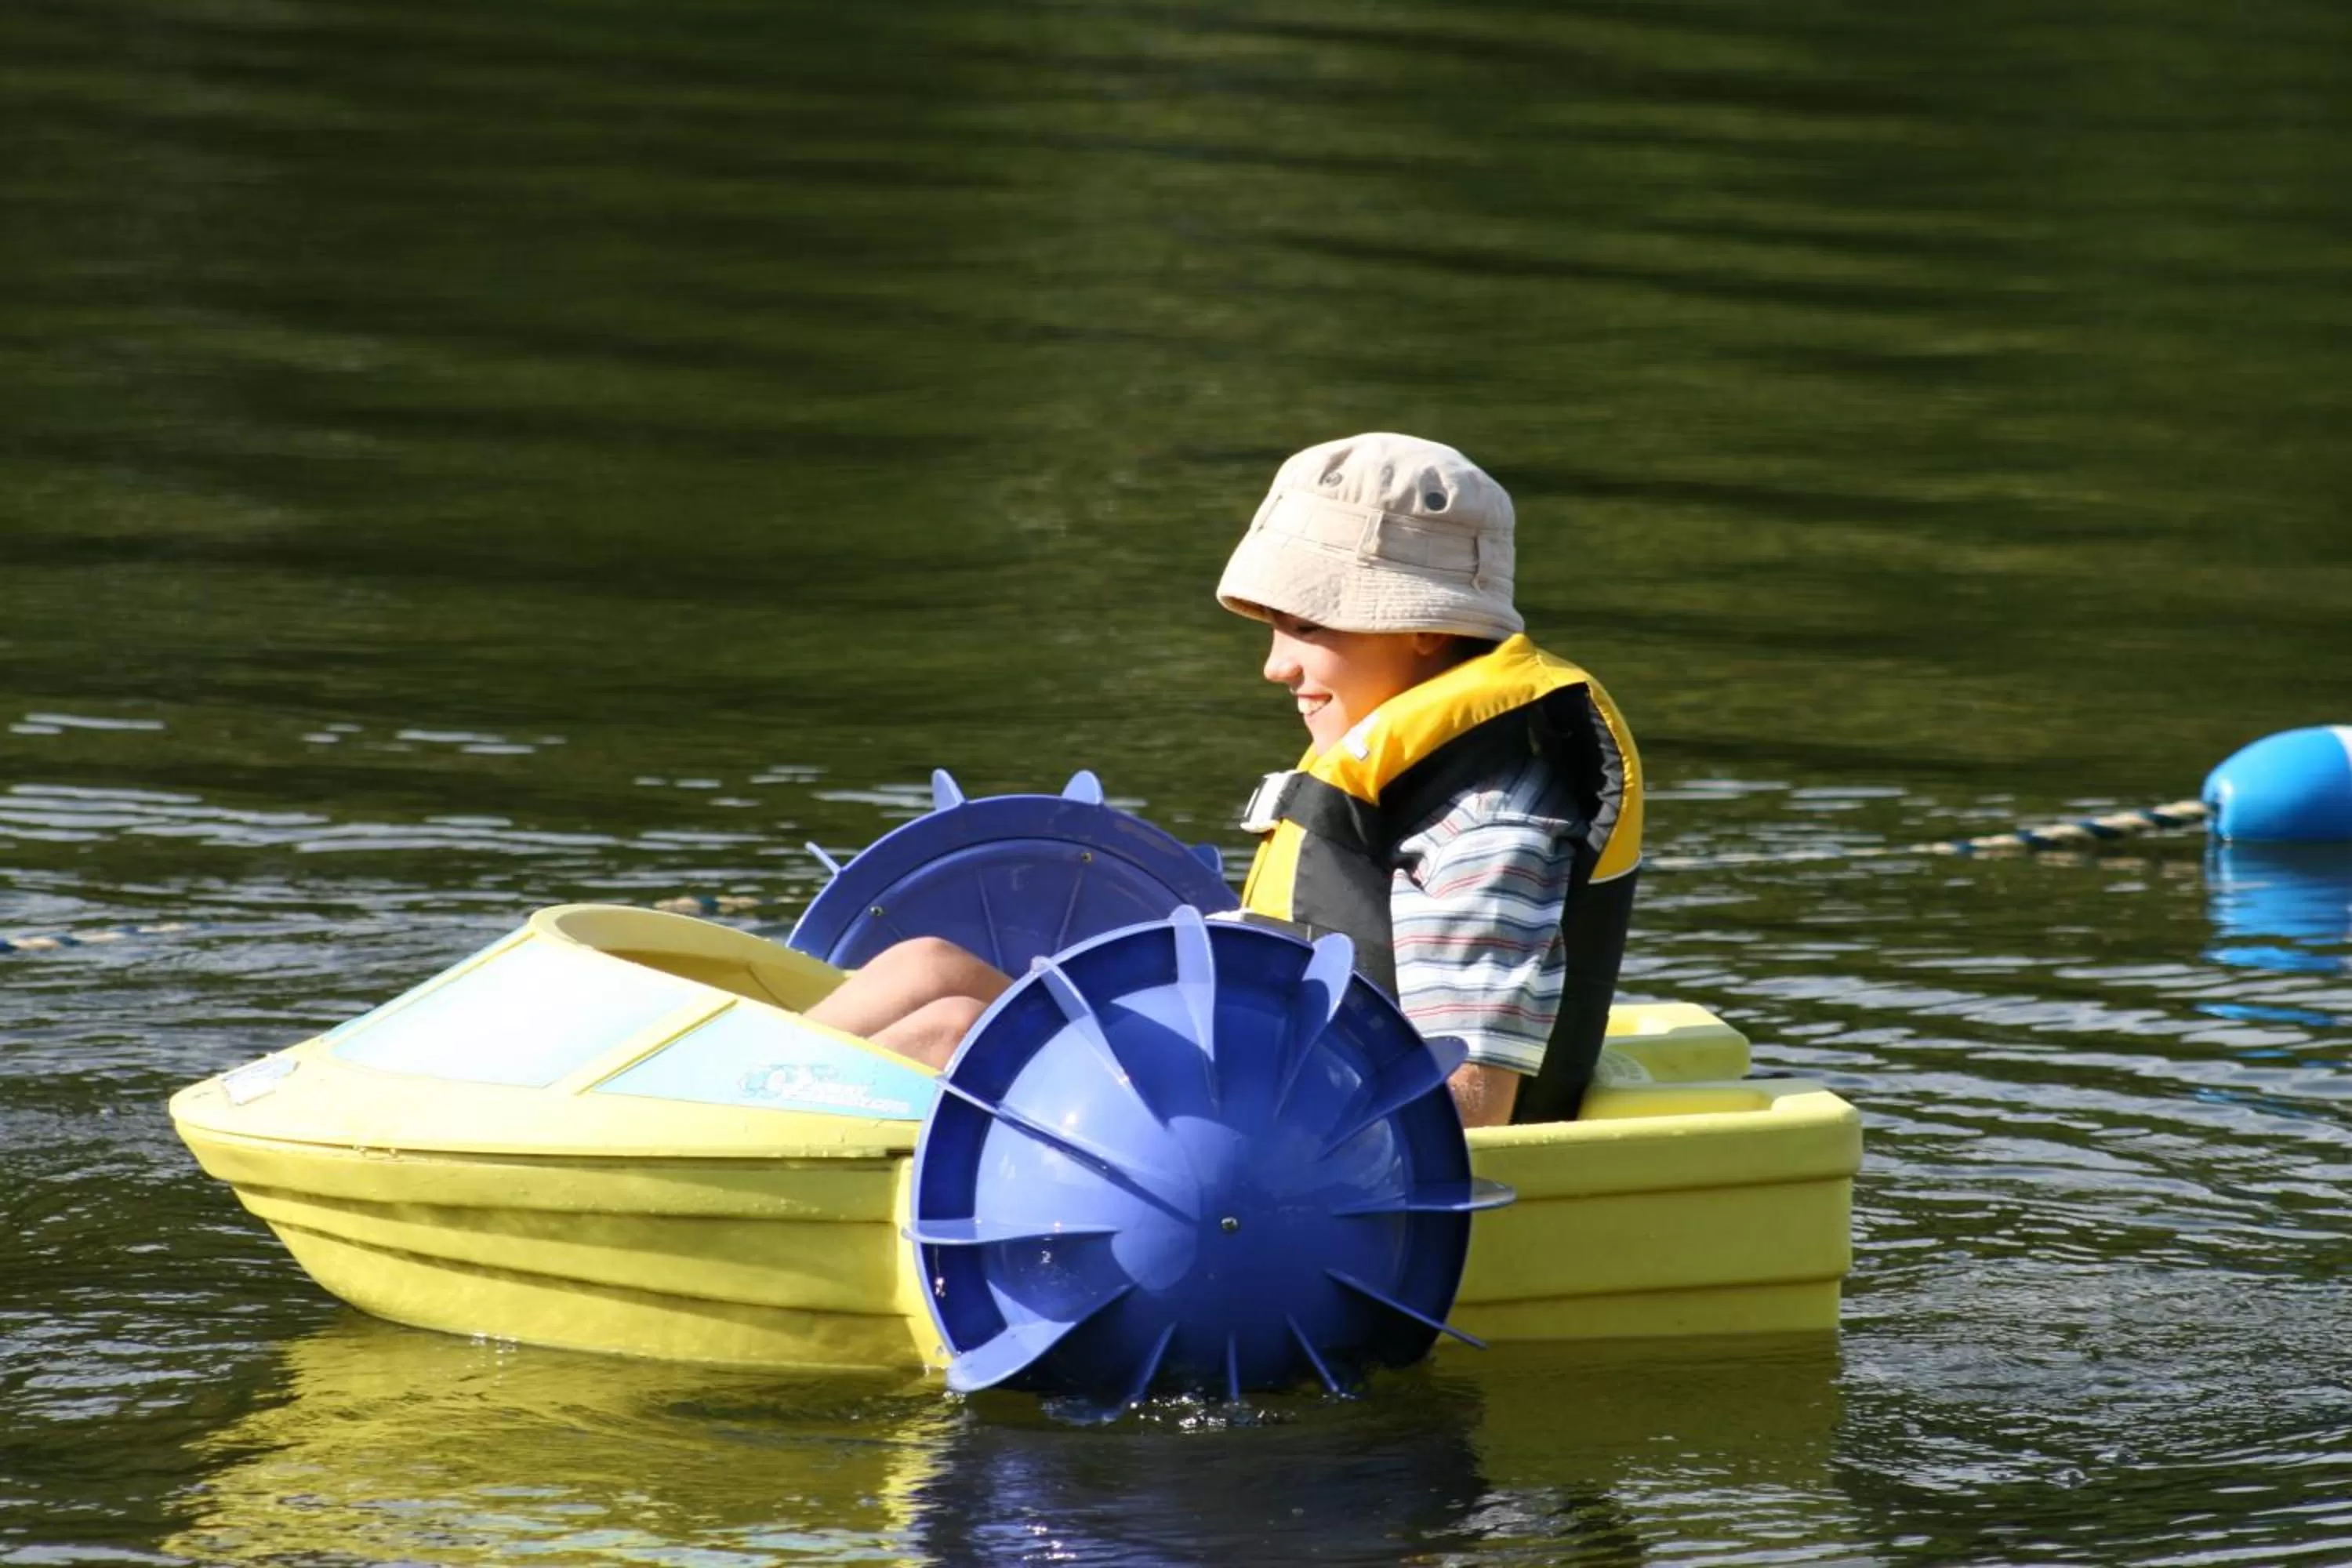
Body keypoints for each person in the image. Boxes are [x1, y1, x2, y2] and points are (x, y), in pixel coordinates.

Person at [804, 433, 1642, 1127]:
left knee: (954, 1032)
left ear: (1426, 627)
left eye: (1308, 626)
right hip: (1246, 1086)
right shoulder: (1402, 767)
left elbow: (1473, 1107)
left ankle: (759, 1166)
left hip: (1274, 1146)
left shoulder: (1487, 827)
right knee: (927, 967)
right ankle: (731, 1107)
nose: (1276, 665)